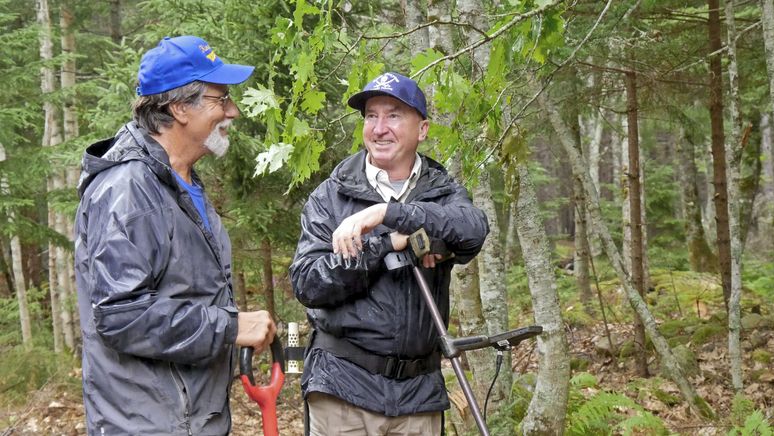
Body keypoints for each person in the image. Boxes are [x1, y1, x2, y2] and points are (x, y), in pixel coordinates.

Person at [74, 35, 276, 435]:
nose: (233, 112)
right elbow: (120, 316)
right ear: (180, 108)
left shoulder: (182, 185)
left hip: (193, 419)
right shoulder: (129, 190)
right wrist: (230, 327)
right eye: (221, 99)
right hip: (150, 426)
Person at [290, 72, 489, 435]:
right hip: (342, 388)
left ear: (423, 129)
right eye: (371, 116)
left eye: (394, 115)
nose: (379, 128)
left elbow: (473, 229)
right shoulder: (331, 196)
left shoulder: (442, 191)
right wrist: (388, 243)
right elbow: (308, 282)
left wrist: (388, 214)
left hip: (418, 392)